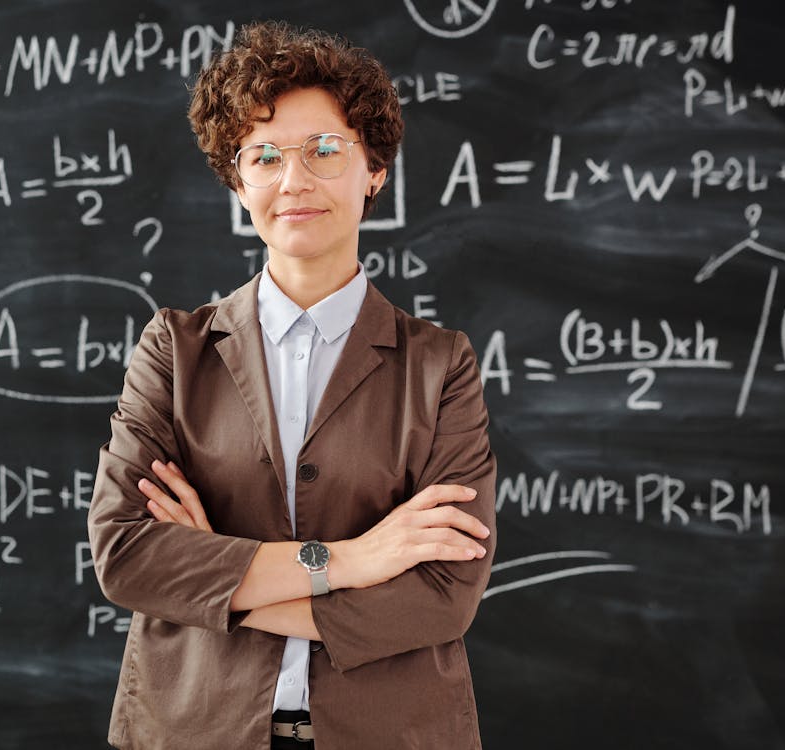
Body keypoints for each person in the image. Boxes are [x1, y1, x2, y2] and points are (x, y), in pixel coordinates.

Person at [87, 20, 497, 750]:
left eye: (324, 150)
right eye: (264, 155)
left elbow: (440, 597)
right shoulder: (174, 351)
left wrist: (217, 579)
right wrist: (351, 561)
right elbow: (128, 556)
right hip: (191, 731)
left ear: (373, 168)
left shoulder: (440, 365)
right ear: (237, 180)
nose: (294, 180)